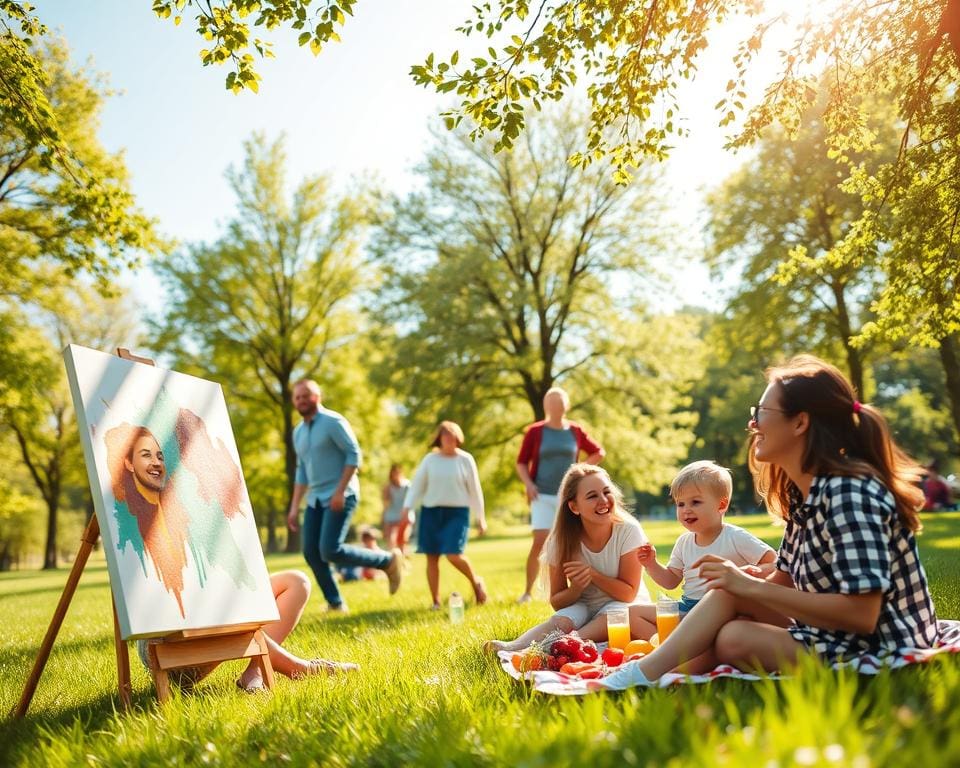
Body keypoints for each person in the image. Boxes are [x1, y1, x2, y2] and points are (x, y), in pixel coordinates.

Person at [600, 355, 939, 689]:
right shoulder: (802, 495)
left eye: (761, 412)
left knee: (733, 636)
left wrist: (750, 586)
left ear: (799, 422)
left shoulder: (848, 494)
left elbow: (861, 615)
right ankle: (652, 672)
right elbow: (784, 578)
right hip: (830, 634)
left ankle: (644, 675)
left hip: (879, 648)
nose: (753, 424)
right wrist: (745, 579)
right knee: (731, 617)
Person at [485, 464, 651, 653]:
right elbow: (557, 602)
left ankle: (561, 644)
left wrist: (592, 575)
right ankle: (513, 647)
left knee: (614, 613)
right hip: (585, 607)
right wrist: (576, 589)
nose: (604, 500)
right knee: (564, 618)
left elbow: (628, 593)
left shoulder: (629, 530)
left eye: (607, 492)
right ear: (574, 506)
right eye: (592, 496)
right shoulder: (560, 540)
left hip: (626, 608)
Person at [286, 379, 403, 612]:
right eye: (297, 397)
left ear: (317, 397)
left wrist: (339, 491)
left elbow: (353, 455)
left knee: (329, 549)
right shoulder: (298, 433)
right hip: (316, 499)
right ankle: (336, 603)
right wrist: (294, 506)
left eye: (305, 395)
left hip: (341, 493)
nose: (301, 400)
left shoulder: (333, 422)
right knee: (311, 552)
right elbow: (302, 470)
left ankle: (387, 561)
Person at [138, 570, 357, 693]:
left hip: (214, 611)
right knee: (223, 606)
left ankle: (256, 670)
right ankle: (299, 668)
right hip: (169, 647)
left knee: (296, 582)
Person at [631, 460, 776, 629]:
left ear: (721, 505)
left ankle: (682, 643)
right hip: (689, 608)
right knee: (633, 613)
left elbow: (774, 562)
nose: (686, 509)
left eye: (696, 502)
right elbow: (671, 581)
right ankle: (669, 645)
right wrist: (651, 564)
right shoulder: (684, 542)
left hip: (725, 609)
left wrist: (750, 573)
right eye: (681, 504)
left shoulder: (735, 537)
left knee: (733, 627)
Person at [515, 387, 605, 604]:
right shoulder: (535, 432)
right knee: (540, 541)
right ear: (546, 406)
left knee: (574, 540)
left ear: (566, 406)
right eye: (552, 402)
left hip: (570, 496)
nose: (556, 406)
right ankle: (527, 592)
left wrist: (580, 471)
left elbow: (598, 452)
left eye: (560, 402)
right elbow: (521, 462)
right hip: (542, 494)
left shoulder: (575, 430)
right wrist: (528, 484)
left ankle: (580, 589)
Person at [401, 421, 489, 610]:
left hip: (457, 513)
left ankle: (476, 584)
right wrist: (407, 507)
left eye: (453, 436)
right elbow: (417, 486)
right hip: (431, 513)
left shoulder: (466, 459)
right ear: (439, 439)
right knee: (431, 557)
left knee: (453, 555)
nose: (449, 440)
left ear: (458, 439)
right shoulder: (430, 460)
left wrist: (480, 517)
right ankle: (435, 601)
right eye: (445, 436)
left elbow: (475, 490)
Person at [381, 464, 413, 553]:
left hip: (405, 516)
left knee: (403, 540)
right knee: (391, 540)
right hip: (391, 517)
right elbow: (385, 505)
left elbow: (411, 501)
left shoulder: (407, 486)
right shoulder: (388, 487)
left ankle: (403, 562)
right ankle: (394, 562)